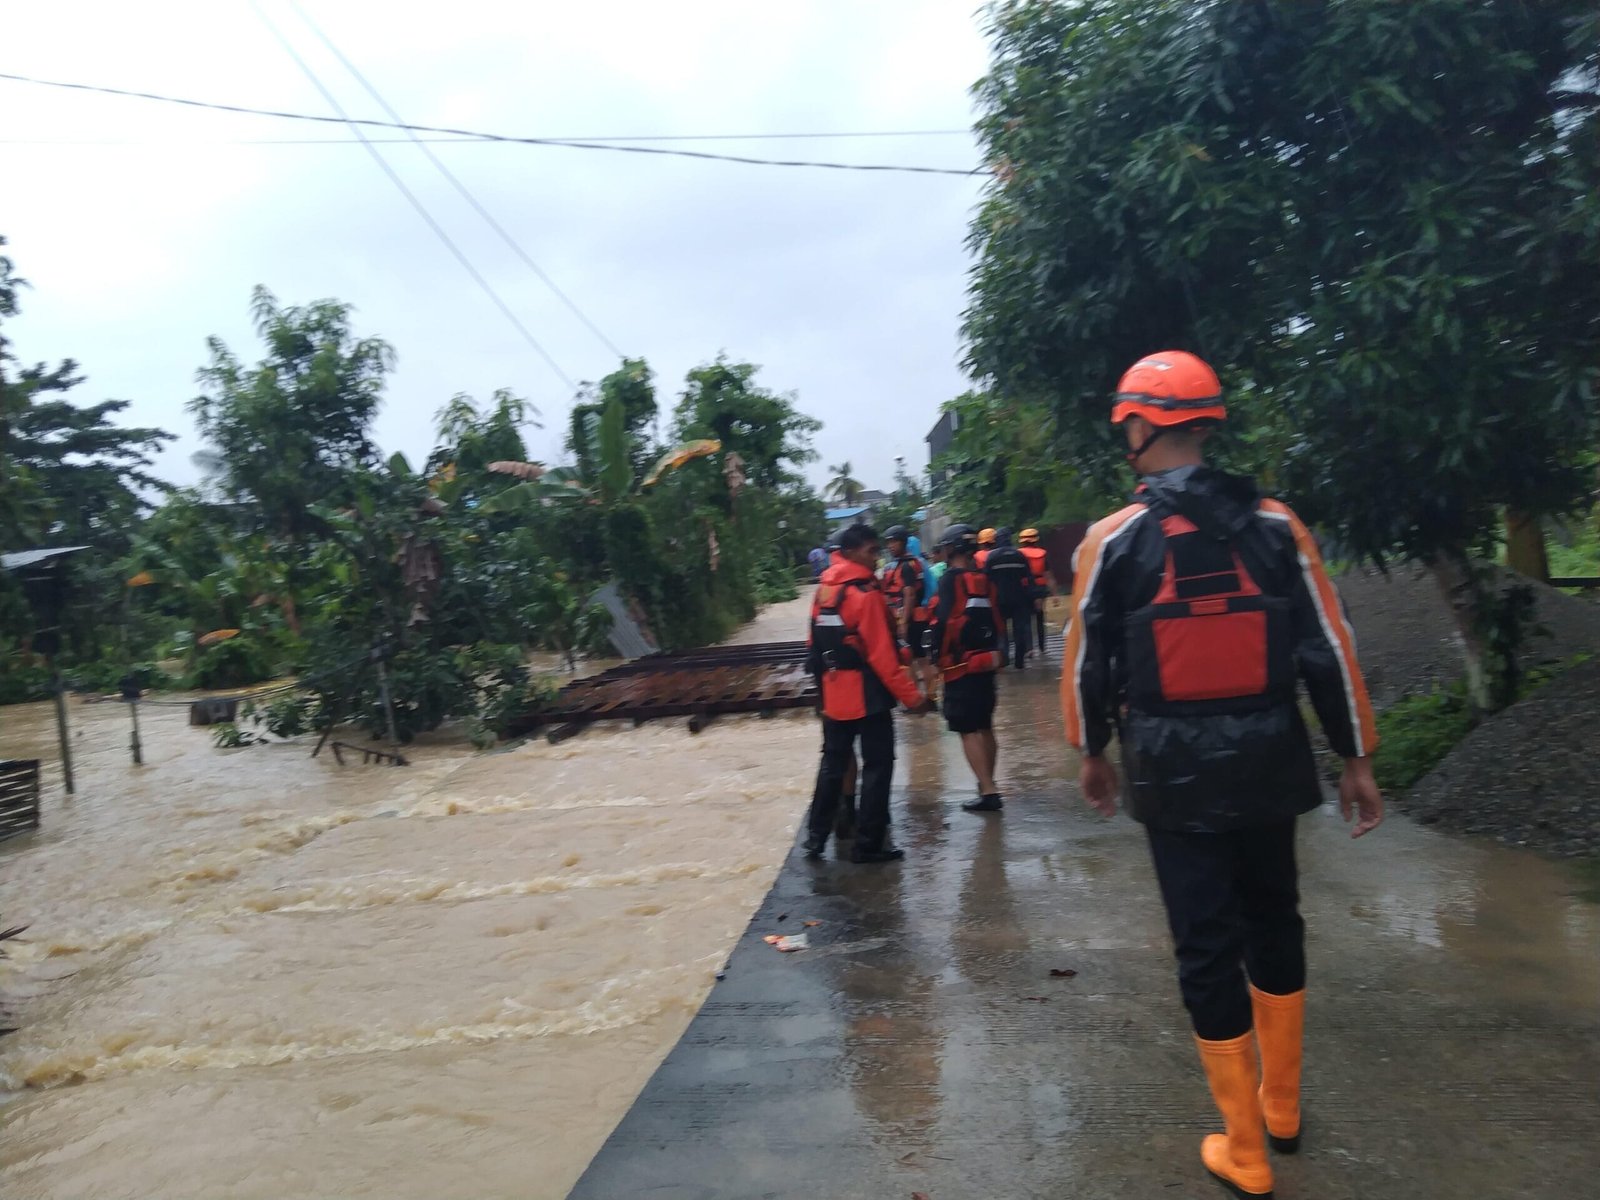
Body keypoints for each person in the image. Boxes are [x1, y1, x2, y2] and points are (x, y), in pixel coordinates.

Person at [1061, 350, 1384, 1199]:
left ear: (1140, 424)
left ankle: (1245, 1150)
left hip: (1171, 772)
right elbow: (1329, 645)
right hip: (1271, 759)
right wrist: (1355, 758)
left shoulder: (1112, 539)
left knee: (1206, 943)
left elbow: (1088, 661)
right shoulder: (1279, 525)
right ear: (1206, 423)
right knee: (1275, 917)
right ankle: (1282, 1108)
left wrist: (1091, 749)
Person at [804, 524, 932, 863]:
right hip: (868, 696)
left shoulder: (824, 592)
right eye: (871, 551)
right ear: (849, 553)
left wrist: (822, 694)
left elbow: (813, 645)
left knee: (832, 765)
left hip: (834, 693)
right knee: (878, 766)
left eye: (878, 551)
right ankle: (869, 844)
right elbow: (883, 658)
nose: (876, 558)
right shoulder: (866, 595)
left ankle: (815, 838)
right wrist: (914, 698)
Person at [930, 524, 1004, 813]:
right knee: (985, 725)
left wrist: (936, 660)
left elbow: (944, 622)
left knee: (967, 729)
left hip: (960, 666)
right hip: (986, 661)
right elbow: (998, 621)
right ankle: (988, 783)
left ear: (952, 549)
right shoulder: (983, 578)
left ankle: (988, 790)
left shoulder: (950, 580)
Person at [881, 525, 935, 700]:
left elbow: (909, 594)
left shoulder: (905, 566)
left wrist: (903, 623)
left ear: (903, 542)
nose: (890, 546)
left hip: (910, 620)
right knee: (922, 659)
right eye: (888, 542)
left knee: (911, 661)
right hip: (917, 617)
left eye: (894, 542)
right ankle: (930, 697)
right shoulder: (913, 563)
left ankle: (918, 699)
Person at [982, 527, 1034, 670]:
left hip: (999, 599)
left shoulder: (992, 557)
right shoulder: (1019, 555)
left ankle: (1004, 661)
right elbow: (1029, 578)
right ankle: (1019, 662)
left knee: (1001, 630)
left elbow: (985, 579)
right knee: (1019, 630)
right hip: (1019, 598)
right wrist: (1033, 597)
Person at [1018, 528, 1054, 658]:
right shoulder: (1043, 553)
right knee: (1040, 617)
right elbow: (1048, 574)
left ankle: (1029, 649)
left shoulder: (1019, 553)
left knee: (1026, 618)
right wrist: (1054, 593)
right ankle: (1042, 647)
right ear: (1036, 540)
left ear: (1022, 541)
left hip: (1025, 586)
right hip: (1040, 587)